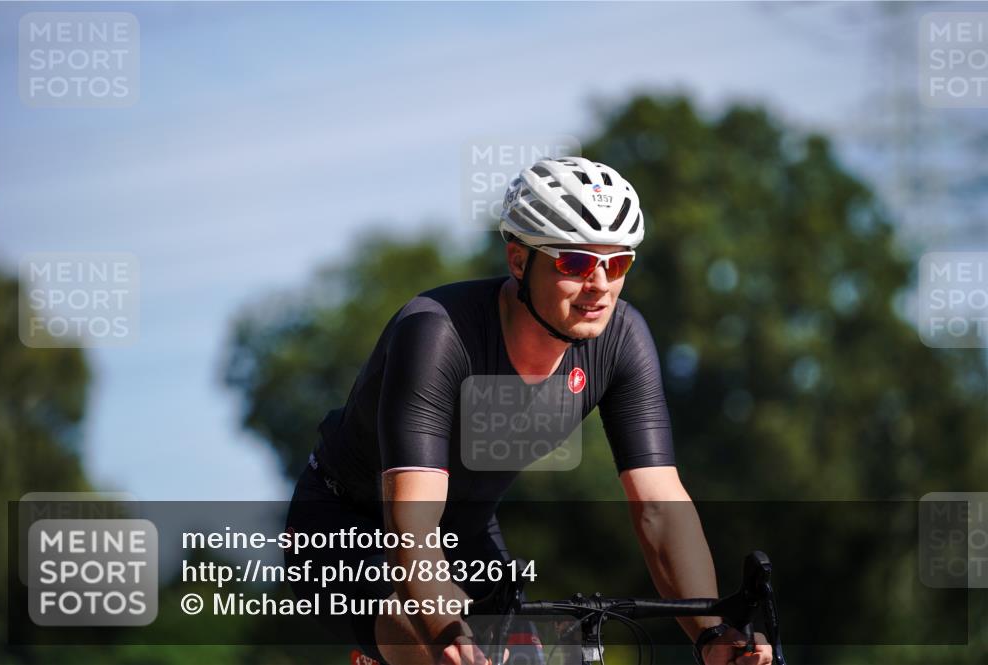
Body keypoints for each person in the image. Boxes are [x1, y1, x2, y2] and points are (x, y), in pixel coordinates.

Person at [285, 156, 773, 665]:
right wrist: (445, 628)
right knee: (440, 644)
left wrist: (712, 633)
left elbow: (658, 506)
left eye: (619, 262)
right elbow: (412, 525)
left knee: (526, 657)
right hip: (348, 528)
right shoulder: (435, 334)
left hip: (467, 530)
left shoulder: (622, 339)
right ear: (519, 261)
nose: (600, 285)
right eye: (576, 263)